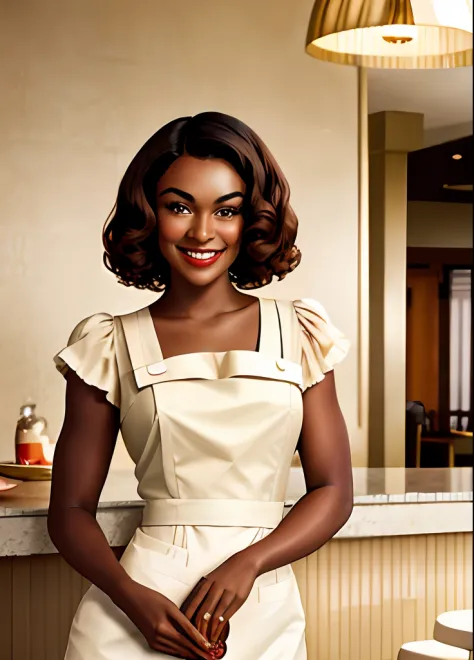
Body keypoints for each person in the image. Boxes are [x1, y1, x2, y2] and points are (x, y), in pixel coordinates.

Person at [48, 111, 354, 660]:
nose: (202, 232)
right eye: (180, 206)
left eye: (227, 210)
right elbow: (69, 510)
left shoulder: (302, 331)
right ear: (150, 213)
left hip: (262, 603)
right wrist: (131, 598)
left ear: (252, 219)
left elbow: (333, 491)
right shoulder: (107, 342)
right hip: (139, 609)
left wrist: (251, 561)